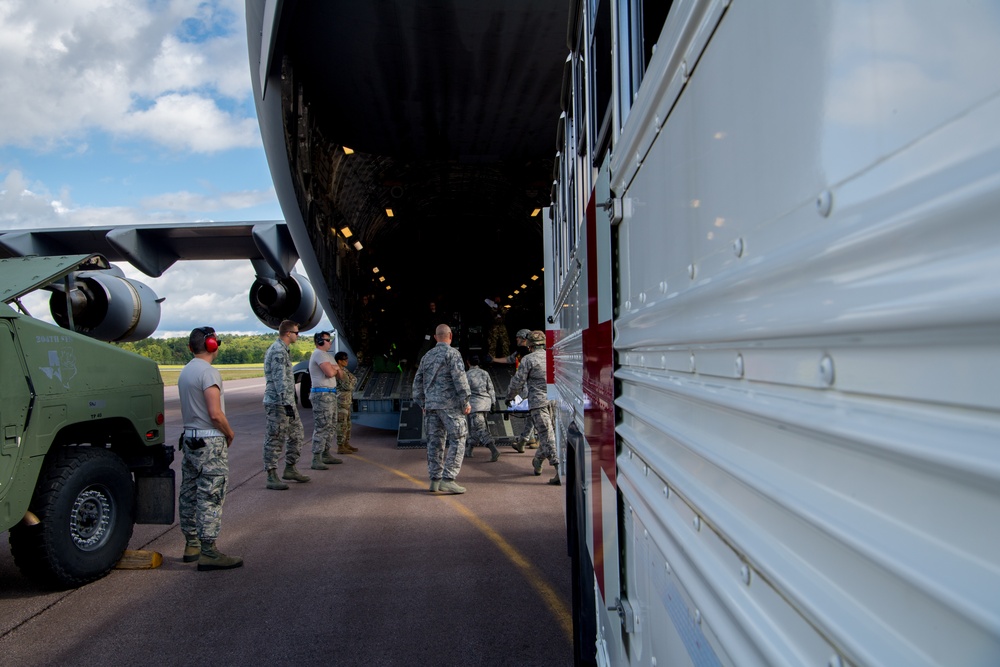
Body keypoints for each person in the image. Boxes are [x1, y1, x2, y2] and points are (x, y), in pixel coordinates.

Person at [177, 326, 242, 570]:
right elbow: (215, 414)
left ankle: (191, 544)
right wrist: (229, 432)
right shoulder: (209, 373)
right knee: (211, 495)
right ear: (213, 345)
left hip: (190, 439)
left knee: (189, 492)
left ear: (190, 347)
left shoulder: (186, 371)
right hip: (210, 442)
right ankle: (208, 551)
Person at [412, 324, 472, 494]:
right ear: (450, 336)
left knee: (434, 443)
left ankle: (434, 480)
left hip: (431, 406)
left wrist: (423, 403)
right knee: (458, 438)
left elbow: (417, 382)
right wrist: (465, 402)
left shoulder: (426, 356)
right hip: (450, 406)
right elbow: (460, 380)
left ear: (435, 337)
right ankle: (449, 478)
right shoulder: (452, 354)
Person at [505, 330, 559, 485]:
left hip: (538, 403)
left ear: (529, 345)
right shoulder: (553, 356)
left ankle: (556, 469)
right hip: (554, 401)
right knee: (549, 435)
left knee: (547, 437)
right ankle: (547, 464)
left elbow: (517, 382)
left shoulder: (528, 360)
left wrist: (509, 398)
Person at [262, 320, 311, 490]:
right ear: (288, 333)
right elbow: (279, 378)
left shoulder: (283, 350)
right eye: (296, 333)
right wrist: (287, 402)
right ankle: (271, 474)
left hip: (286, 402)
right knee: (275, 438)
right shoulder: (277, 351)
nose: (298, 335)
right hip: (278, 403)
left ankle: (290, 468)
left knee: (297, 434)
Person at [492, 328, 537, 451]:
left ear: (524, 339)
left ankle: (526, 439)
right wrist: (493, 359)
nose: (516, 339)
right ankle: (530, 438)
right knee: (528, 412)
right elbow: (509, 359)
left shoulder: (528, 354)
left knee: (531, 412)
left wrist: (511, 394)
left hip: (528, 385)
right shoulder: (520, 352)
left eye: (518, 337)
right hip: (523, 385)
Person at [308, 331, 344, 469]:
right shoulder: (318, 354)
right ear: (320, 341)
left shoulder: (328, 356)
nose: (330, 342)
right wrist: (334, 368)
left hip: (331, 394)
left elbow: (340, 374)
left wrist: (334, 368)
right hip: (321, 394)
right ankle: (316, 458)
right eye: (327, 340)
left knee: (331, 425)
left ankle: (326, 453)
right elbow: (330, 373)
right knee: (322, 426)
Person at [465, 355, 501, 462]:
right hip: (485, 403)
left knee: (481, 429)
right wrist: (493, 403)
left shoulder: (466, 375)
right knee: (476, 427)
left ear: (468, 362)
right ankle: (469, 449)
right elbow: (491, 389)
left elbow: (464, 391)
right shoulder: (485, 373)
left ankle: (494, 450)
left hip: (474, 405)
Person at [334, 350, 359, 454]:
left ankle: (346, 443)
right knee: (342, 424)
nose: (347, 361)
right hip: (341, 401)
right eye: (345, 359)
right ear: (339, 361)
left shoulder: (344, 370)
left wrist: (352, 381)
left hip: (347, 401)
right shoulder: (339, 371)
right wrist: (352, 382)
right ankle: (340, 446)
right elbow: (347, 385)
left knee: (348, 423)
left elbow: (354, 379)